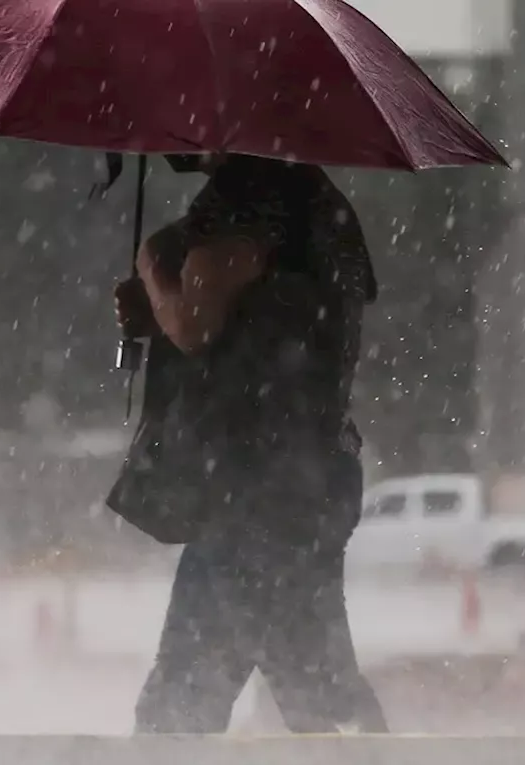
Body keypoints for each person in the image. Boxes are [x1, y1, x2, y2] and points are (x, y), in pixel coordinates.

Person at [111, 152, 389, 734]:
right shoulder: (310, 195)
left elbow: (195, 323)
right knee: (192, 696)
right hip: (289, 480)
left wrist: (153, 273)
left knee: (310, 693)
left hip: (256, 489)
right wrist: (161, 305)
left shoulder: (250, 194)